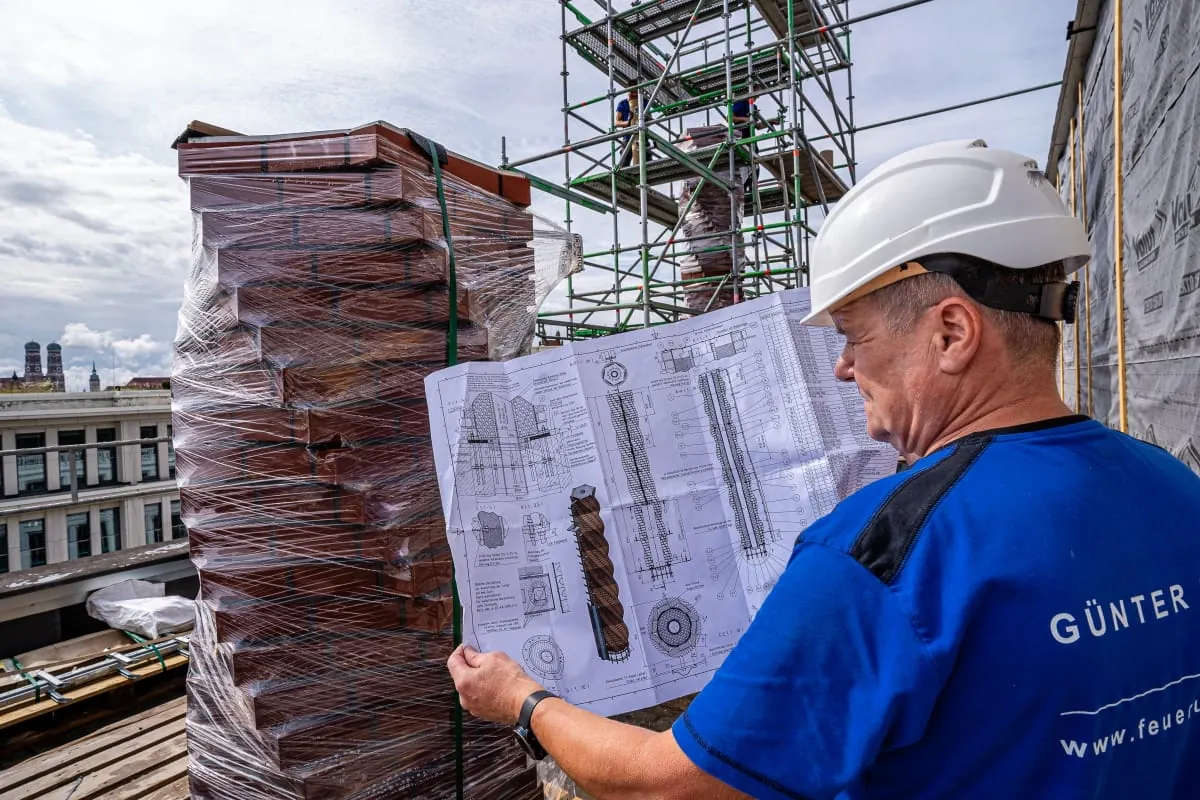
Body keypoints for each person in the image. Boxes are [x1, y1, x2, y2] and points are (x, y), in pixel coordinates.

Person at [447, 139, 1200, 799]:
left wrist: (519, 699)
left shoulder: (881, 555)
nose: (841, 368)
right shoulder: (1173, 489)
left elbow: (667, 789)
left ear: (952, 332)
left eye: (853, 336)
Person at [615, 88, 639, 168]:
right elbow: (617, 122)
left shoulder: (643, 102)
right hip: (627, 137)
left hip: (641, 137)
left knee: (645, 163)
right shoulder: (623, 103)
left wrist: (644, 119)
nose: (634, 95)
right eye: (632, 93)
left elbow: (650, 119)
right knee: (624, 164)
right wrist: (628, 122)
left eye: (636, 93)